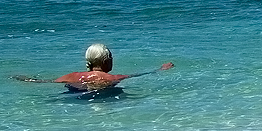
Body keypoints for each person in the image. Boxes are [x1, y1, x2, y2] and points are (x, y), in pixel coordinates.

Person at [14, 43, 174, 92]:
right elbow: (140, 75)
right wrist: (161, 69)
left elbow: (44, 81)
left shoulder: (72, 76)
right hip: (105, 93)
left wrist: (25, 79)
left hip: (76, 92)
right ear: (107, 62)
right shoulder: (114, 78)